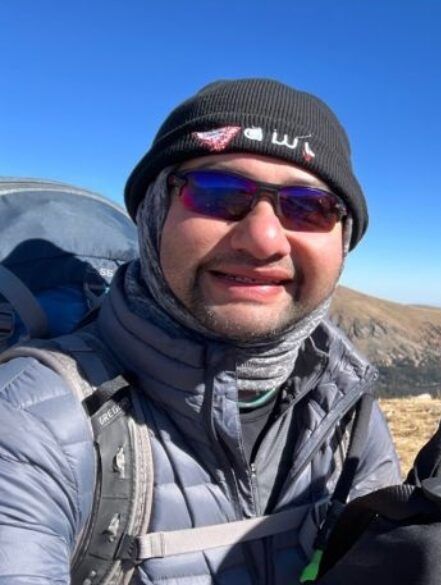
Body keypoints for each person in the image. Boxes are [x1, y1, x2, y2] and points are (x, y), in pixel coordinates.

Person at [0, 79, 403, 583]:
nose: (263, 239)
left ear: (342, 241)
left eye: (310, 207)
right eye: (218, 193)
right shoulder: (29, 424)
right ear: (153, 214)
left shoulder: (343, 406)